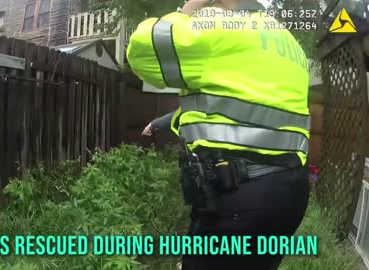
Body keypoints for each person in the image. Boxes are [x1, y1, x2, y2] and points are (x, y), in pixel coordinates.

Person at [127, 0, 311, 269]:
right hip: (289, 192)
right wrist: (162, 122)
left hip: (239, 197)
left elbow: (142, 51)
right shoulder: (287, 42)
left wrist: (187, 9)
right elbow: (234, 110)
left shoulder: (221, 29)